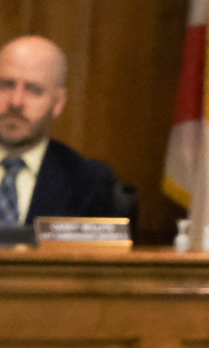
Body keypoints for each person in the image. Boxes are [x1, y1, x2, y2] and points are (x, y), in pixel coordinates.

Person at [0, 35, 125, 225]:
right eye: (6, 85)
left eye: (33, 90)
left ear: (58, 103)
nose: (16, 102)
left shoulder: (88, 183)